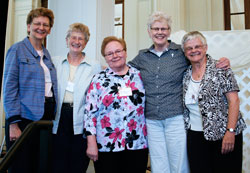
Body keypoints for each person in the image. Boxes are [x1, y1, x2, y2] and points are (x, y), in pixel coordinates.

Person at [128, 11, 230, 173]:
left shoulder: (180, 53)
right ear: (149, 32)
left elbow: (200, 58)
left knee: (179, 163)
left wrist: (222, 61)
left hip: (175, 117)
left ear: (169, 31)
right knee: (158, 163)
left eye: (164, 28)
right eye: (155, 29)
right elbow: (124, 69)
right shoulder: (142, 56)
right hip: (152, 119)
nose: (159, 32)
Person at [181, 31, 246, 173]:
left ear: (205, 48)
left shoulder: (221, 68)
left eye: (197, 46)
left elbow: (233, 101)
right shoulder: (185, 74)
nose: (194, 51)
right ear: (185, 52)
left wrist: (230, 132)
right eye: (189, 48)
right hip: (195, 136)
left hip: (223, 134)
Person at [3, 7, 57, 173]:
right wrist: (13, 123)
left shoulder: (46, 54)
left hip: (46, 116)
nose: (41, 27)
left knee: (40, 164)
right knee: (22, 165)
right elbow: (9, 88)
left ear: (49, 29)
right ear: (28, 26)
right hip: (24, 118)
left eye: (45, 25)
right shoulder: (17, 50)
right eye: (37, 23)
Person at [84, 36, 148, 173]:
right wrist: (91, 143)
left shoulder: (140, 76)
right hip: (106, 145)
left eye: (118, 51)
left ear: (125, 52)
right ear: (105, 57)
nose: (115, 56)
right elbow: (90, 114)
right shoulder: (98, 80)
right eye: (109, 53)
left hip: (137, 144)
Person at [51, 23, 102, 173]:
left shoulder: (94, 65)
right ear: (67, 40)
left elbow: (97, 95)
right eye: (73, 37)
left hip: (81, 120)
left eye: (81, 39)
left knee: (78, 164)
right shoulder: (55, 62)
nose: (77, 41)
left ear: (86, 43)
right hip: (58, 119)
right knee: (57, 165)